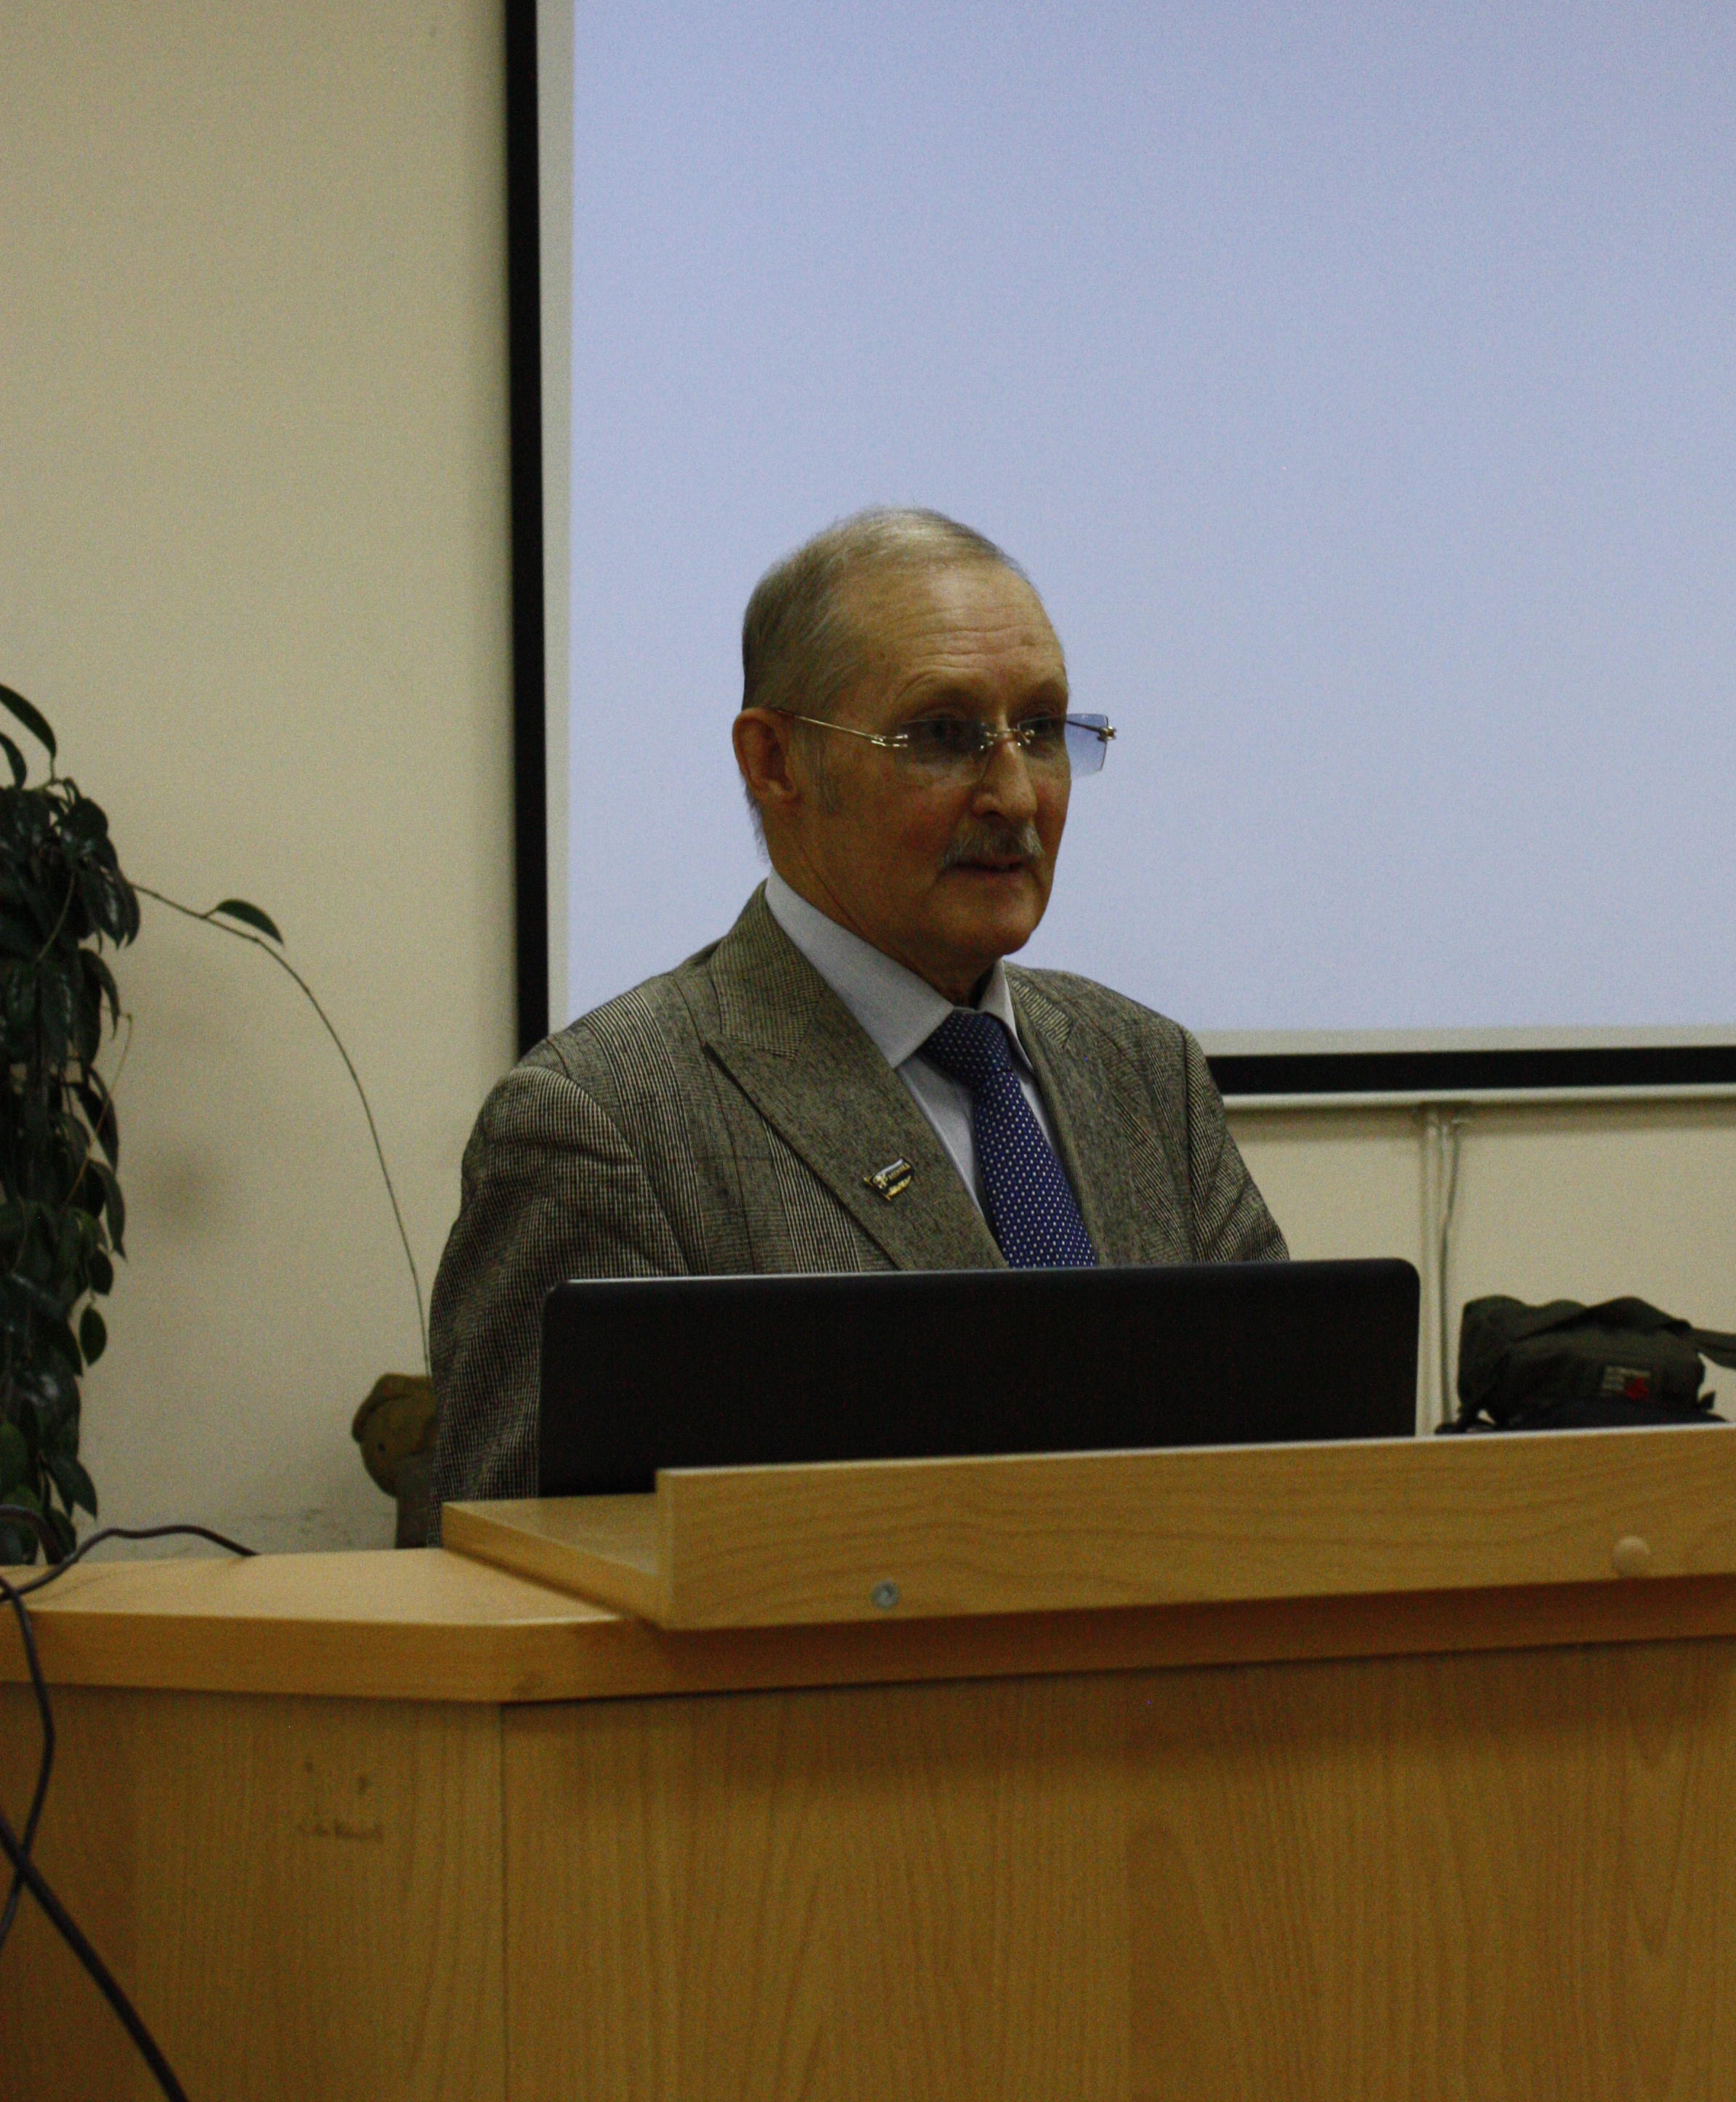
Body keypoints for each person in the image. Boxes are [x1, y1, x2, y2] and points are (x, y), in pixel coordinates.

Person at [430, 508, 1286, 1500]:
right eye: (943, 735)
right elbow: (523, 1552)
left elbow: (1294, 1456)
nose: (1016, 796)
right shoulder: (603, 1121)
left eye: (1042, 731)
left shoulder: (1144, 1070)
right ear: (775, 763)